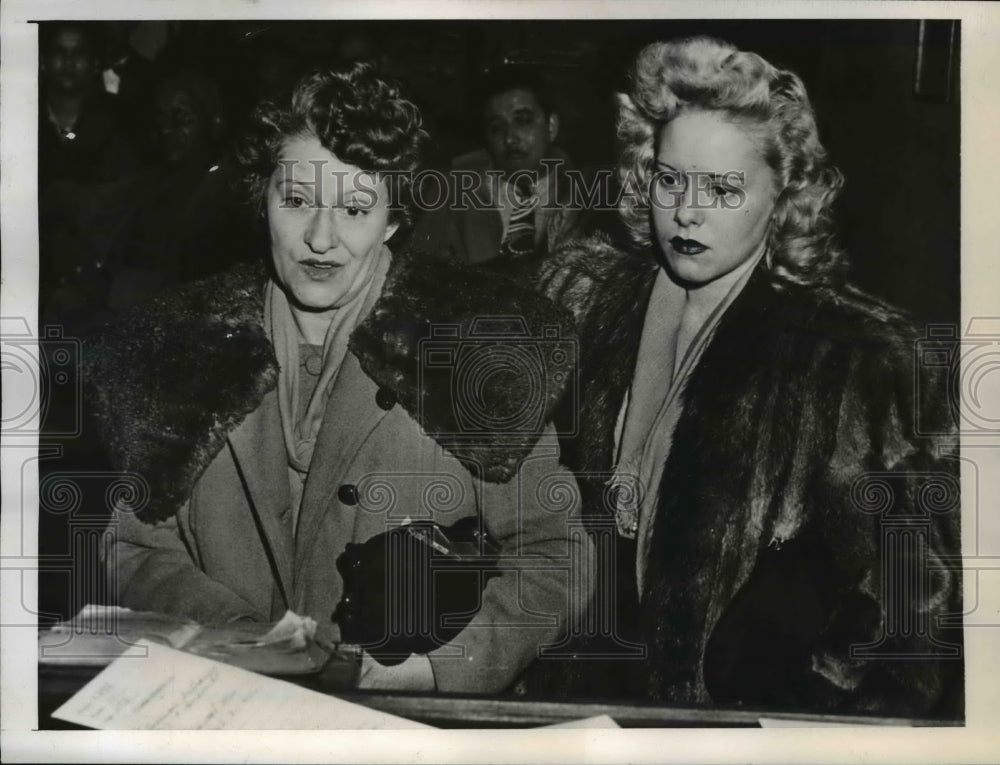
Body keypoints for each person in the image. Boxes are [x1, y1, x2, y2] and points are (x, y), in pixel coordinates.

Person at [84, 63, 593, 694]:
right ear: (260, 200)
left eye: (354, 208)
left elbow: (555, 553)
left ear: (394, 220)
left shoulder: (472, 349)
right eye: (295, 201)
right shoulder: (185, 351)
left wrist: (440, 671)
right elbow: (131, 549)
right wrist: (245, 640)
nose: (320, 239)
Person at [534, 37, 962, 716]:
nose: (687, 211)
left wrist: (785, 696)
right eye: (669, 179)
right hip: (580, 711)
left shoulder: (856, 355)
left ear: (783, 190)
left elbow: (919, 605)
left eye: (723, 188)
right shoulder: (596, 300)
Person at [411, 64, 581, 265]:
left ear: (551, 127)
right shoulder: (452, 191)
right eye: (496, 127)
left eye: (523, 121)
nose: (510, 138)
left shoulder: (584, 196)